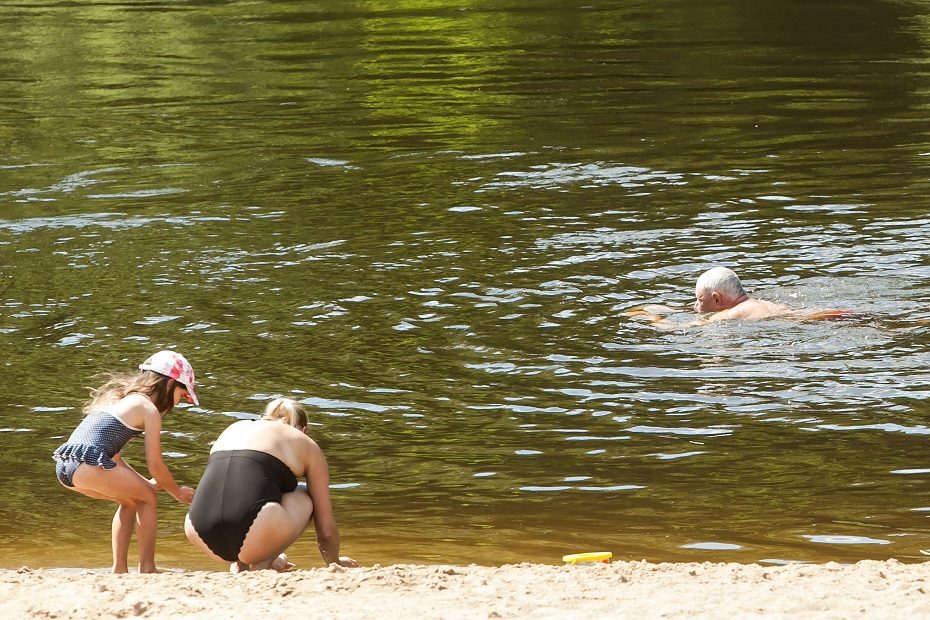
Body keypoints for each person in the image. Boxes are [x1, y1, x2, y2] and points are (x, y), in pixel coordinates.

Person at [52, 350, 199, 573]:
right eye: (182, 393)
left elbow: (113, 458)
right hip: (86, 465)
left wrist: (146, 482)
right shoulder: (148, 410)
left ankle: (119, 568)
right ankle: (147, 567)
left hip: (66, 466)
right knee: (147, 498)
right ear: (169, 384)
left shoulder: (120, 401)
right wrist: (177, 492)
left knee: (131, 500)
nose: (178, 403)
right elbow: (156, 465)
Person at [185, 397, 357, 572]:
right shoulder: (305, 442)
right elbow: (326, 530)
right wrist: (334, 563)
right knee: (306, 495)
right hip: (253, 530)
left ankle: (242, 563)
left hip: (197, 528)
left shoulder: (234, 429)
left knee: (259, 489)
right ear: (303, 429)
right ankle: (262, 563)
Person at [627, 266, 854, 327]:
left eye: (699, 299)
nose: (695, 306)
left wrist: (646, 316)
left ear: (716, 300)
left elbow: (678, 329)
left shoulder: (729, 316)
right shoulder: (763, 304)